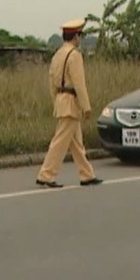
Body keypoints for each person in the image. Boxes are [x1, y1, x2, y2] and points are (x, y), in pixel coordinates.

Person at [36, 18, 103, 188]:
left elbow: (52, 82)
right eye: (79, 35)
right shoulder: (74, 56)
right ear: (76, 37)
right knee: (60, 141)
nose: (80, 39)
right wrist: (86, 107)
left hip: (61, 100)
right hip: (71, 102)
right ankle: (46, 175)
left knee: (76, 143)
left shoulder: (57, 55)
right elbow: (79, 84)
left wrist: (56, 102)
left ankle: (87, 174)